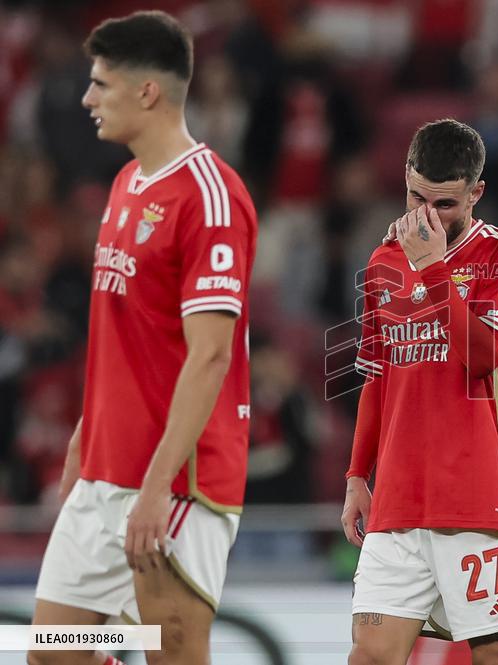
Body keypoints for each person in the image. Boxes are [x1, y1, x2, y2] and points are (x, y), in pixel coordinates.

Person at [29, 11, 257, 665]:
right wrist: (84, 438)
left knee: (173, 655)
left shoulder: (212, 198)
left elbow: (211, 354)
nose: (87, 98)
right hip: (106, 471)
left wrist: (156, 487)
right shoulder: (127, 184)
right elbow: (123, 340)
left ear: (147, 91)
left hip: (178, 480)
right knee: (55, 653)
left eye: (100, 84)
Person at [342, 119, 498, 665]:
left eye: (446, 204)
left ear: (476, 192)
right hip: (398, 499)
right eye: (415, 196)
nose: (426, 216)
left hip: (477, 495)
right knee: (369, 656)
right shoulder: (383, 261)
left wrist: (433, 269)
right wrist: (357, 475)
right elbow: (376, 375)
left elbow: (481, 358)